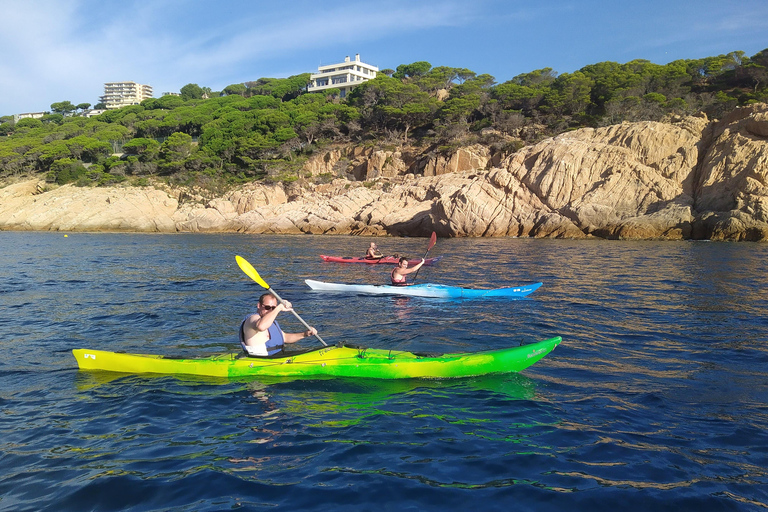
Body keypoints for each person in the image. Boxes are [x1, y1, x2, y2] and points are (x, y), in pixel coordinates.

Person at [239, 293, 317, 357]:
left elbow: (285, 337)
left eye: (273, 308)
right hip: (261, 359)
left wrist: (305, 334)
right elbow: (261, 326)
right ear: (259, 305)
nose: (270, 311)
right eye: (267, 307)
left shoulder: (270, 321)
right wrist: (279, 308)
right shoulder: (252, 318)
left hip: (278, 355)